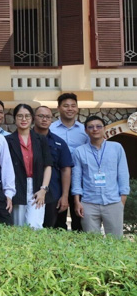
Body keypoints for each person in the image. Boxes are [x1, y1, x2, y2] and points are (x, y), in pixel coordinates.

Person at [72, 116, 130, 238]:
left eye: (98, 126)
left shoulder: (116, 148)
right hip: (89, 203)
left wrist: (122, 200)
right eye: (90, 127)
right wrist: (77, 202)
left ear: (104, 129)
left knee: (115, 242)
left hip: (113, 202)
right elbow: (76, 178)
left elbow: (123, 174)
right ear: (86, 131)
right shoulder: (80, 151)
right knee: (92, 243)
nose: (95, 129)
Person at [5, 104, 52, 229]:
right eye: (20, 116)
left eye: (27, 116)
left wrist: (44, 189)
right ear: (14, 119)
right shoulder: (7, 140)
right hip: (16, 186)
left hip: (37, 186)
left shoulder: (41, 139)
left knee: (35, 225)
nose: (23, 119)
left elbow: (48, 165)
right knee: (18, 226)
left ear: (32, 118)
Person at [50, 93, 89, 231]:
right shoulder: (51, 129)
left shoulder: (85, 131)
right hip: (56, 178)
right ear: (58, 108)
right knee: (57, 217)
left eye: (73, 106)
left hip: (80, 178)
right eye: (66, 106)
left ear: (77, 108)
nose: (70, 109)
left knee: (80, 218)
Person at [34, 106, 73, 228]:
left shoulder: (59, 143)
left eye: (48, 117)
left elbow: (66, 169)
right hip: (30, 192)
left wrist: (65, 196)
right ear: (34, 118)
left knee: (54, 229)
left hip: (54, 194)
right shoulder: (25, 140)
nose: (44, 119)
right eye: (41, 116)